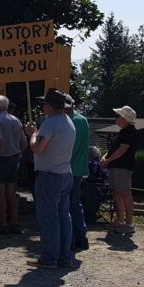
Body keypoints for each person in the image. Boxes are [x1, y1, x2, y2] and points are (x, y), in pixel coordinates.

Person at [24, 89, 76, 268]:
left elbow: (38, 149)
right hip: (64, 174)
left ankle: (49, 258)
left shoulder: (50, 123)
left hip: (49, 176)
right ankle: (64, 256)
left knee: (49, 218)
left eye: (44, 103)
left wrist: (32, 134)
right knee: (63, 217)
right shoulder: (68, 121)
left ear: (49, 105)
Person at [0, 94, 27, 235]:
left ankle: (3, 223)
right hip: (14, 158)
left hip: (1, 158)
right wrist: (17, 153)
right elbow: (24, 143)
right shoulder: (16, 120)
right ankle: (15, 222)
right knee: (11, 191)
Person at [101, 105, 139, 235]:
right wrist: (105, 156)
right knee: (117, 193)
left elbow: (121, 150)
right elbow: (114, 149)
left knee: (125, 193)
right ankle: (120, 221)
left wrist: (108, 160)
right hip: (116, 166)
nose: (115, 118)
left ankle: (129, 223)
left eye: (118, 116)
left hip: (122, 167)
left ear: (125, 119)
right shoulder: (123, 132)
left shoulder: (130, 132)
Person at [65, 95, 89, 250]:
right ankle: (81, 237)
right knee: (75, 204)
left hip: (67, 168)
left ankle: (70, 239)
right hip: (79, 168)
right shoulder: (83, 120)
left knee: (65, 206)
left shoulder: (69, 122)